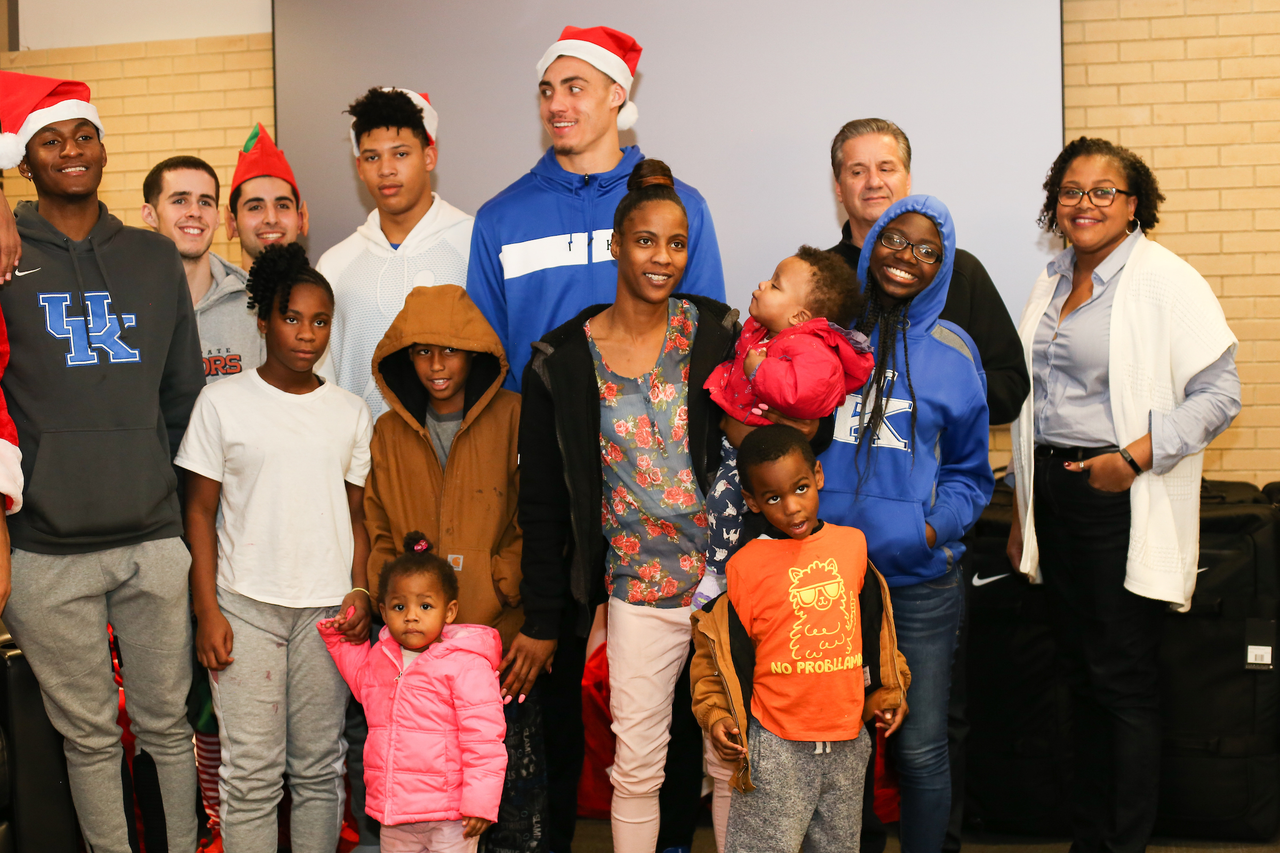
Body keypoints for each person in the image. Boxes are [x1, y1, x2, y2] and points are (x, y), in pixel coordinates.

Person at [1007, 137, 1239, 853]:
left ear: (1132, 203)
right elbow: (1032, 403)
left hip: (1116, 496)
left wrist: (1134, 458)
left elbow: (1220, 394)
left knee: (1121, 679)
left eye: (1103, 190)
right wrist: (1024, 513)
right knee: (1078, 675)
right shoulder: (1049, 280)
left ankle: (1122, 842)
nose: (1085, 203)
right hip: (1053, 494)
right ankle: (1091, 837)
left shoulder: (1165, 279)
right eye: (1071, 191)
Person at [0, 70, 204, 853]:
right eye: (50, 140)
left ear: (105, 148)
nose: (71, 151)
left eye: (84, 135)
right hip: (48, 549)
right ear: (25, 160)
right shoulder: (7, 254)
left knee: (166, 724)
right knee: (87, 737)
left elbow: (184, 401)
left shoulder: (154, 259)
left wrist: (188, 533)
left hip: (152, 537)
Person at [514, 159, 736, 853]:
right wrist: (547, 614)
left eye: (676, 243)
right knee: (636, 765)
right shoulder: (563, 360)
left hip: (725, 587)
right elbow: (543, 503)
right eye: (645, 240)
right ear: (615, 244)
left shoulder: (718, 334)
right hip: (637, 592)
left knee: (730, 759)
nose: (662, 257)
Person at [176, 242, 374, 852]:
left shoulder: (349, 411)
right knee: (252, 774)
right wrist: (207, 610)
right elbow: (199, 512)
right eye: (292, 318)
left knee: (318, 768)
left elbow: (358, 517)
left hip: (326, 614)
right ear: (262, 319)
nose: (306, 334)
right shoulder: (223, 402)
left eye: (320, 322)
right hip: (244, 608)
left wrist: (360, 589)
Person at [817, 196, 994, 853]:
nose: (907, 258)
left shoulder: (954, 352)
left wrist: (929, 527)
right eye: (896, 240)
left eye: (928, 250)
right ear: (871, 244)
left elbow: (971, 474)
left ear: (943, 268)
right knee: (838, 749)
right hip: (829, 582)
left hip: (919, 586)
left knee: (919, 752)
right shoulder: (826, 333)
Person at [363, 283, 539, 850]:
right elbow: (380, 528)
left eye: (450, 350)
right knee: (429, 801)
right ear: (402, 359)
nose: (436, 365)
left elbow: (536, 511)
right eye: (420, 351)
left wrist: (506, 575)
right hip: (414, 653)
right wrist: (388, 602)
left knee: (510, 798)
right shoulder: (389, 433)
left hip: (496, 639)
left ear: (477, 354)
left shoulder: (514, 415)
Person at [468, 25, 726, 393]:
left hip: (656, 438)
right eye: (547, 91)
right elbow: (485, 356)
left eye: (574, 88)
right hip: (543, 436)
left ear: (616, 95)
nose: (556, 105)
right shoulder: (499, 219)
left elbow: (710, 341)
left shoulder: (681, 207)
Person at [690, 425, 911, 852]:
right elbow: (714, 654)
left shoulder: (852, 547)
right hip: (776, 747)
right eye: (773, 498)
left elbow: (875, 631)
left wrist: (890, 689)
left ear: (819, 476)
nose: (792, 507)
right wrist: (717, 714)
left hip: (848, 745)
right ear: (752, 502)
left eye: (801, 488)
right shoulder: (745, 567)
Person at [694, 246, 873, 607]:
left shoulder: (811, 348)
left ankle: (718, 575)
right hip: (735, 444)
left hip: (764, 460)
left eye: (775, 286)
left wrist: (759, 371)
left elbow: (804, 394)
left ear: (799, 316)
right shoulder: (763, 334)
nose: (762, 284)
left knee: (722, 502)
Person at [825, 118, 1027, 425]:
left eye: (886, 168)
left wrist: (936, 390)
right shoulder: (815, 276)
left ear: (907, 180)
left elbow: (1010, 389)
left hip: (938, 468)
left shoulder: (960, 272)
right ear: (839, 189)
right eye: (857, 171)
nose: (874, 181)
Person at [320, 531, 507, 853]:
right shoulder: (381, 658)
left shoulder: (467, 666)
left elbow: (484, 740)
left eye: (424, 605)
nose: (411, 615)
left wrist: (480, 803)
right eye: (398, 606)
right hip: (395, 810)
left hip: (451, 815)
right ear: (383, 610)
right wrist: (339, 639)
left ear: (448, 612)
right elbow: (360, 680)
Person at [317, 87, 473, 418]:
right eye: (372, 157)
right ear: (359, 167)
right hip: (363, 457)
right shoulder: (335, 265)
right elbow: (323, 378)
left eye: (400, 154)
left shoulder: (473, 243)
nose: (386, 169)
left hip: (458, 454)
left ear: (429, 156)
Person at [142, 154, 265, 381]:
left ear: (217, 218)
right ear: (150, 215)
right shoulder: (126, 304)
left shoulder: (256, 302)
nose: (195, 212)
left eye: (205, 202)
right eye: (180, 201)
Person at [225, 122, 310, 272]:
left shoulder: (325, 293)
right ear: (232, 223)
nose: (271, 219)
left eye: (282, 206)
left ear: (301, 219)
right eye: (255, 207)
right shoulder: (211, 296)